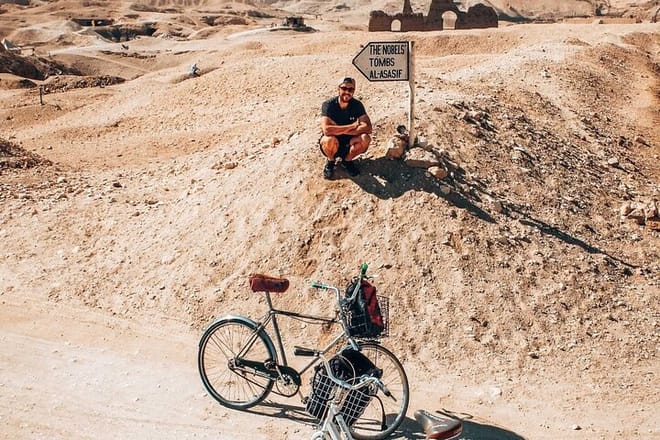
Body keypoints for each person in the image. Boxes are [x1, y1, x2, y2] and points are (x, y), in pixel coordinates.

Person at [319, 77, 372, 179]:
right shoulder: (328, 105)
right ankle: (331, 161)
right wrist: (352, 126)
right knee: (328, 140)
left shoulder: (357, 105)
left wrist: (338, 129)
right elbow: (327, 130)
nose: (347, 92)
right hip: (334, 142)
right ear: (338, 89)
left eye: (350, 89)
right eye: (344, 88)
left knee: (365, 138)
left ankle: (347, 161)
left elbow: (368, 128)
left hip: (349, 142)